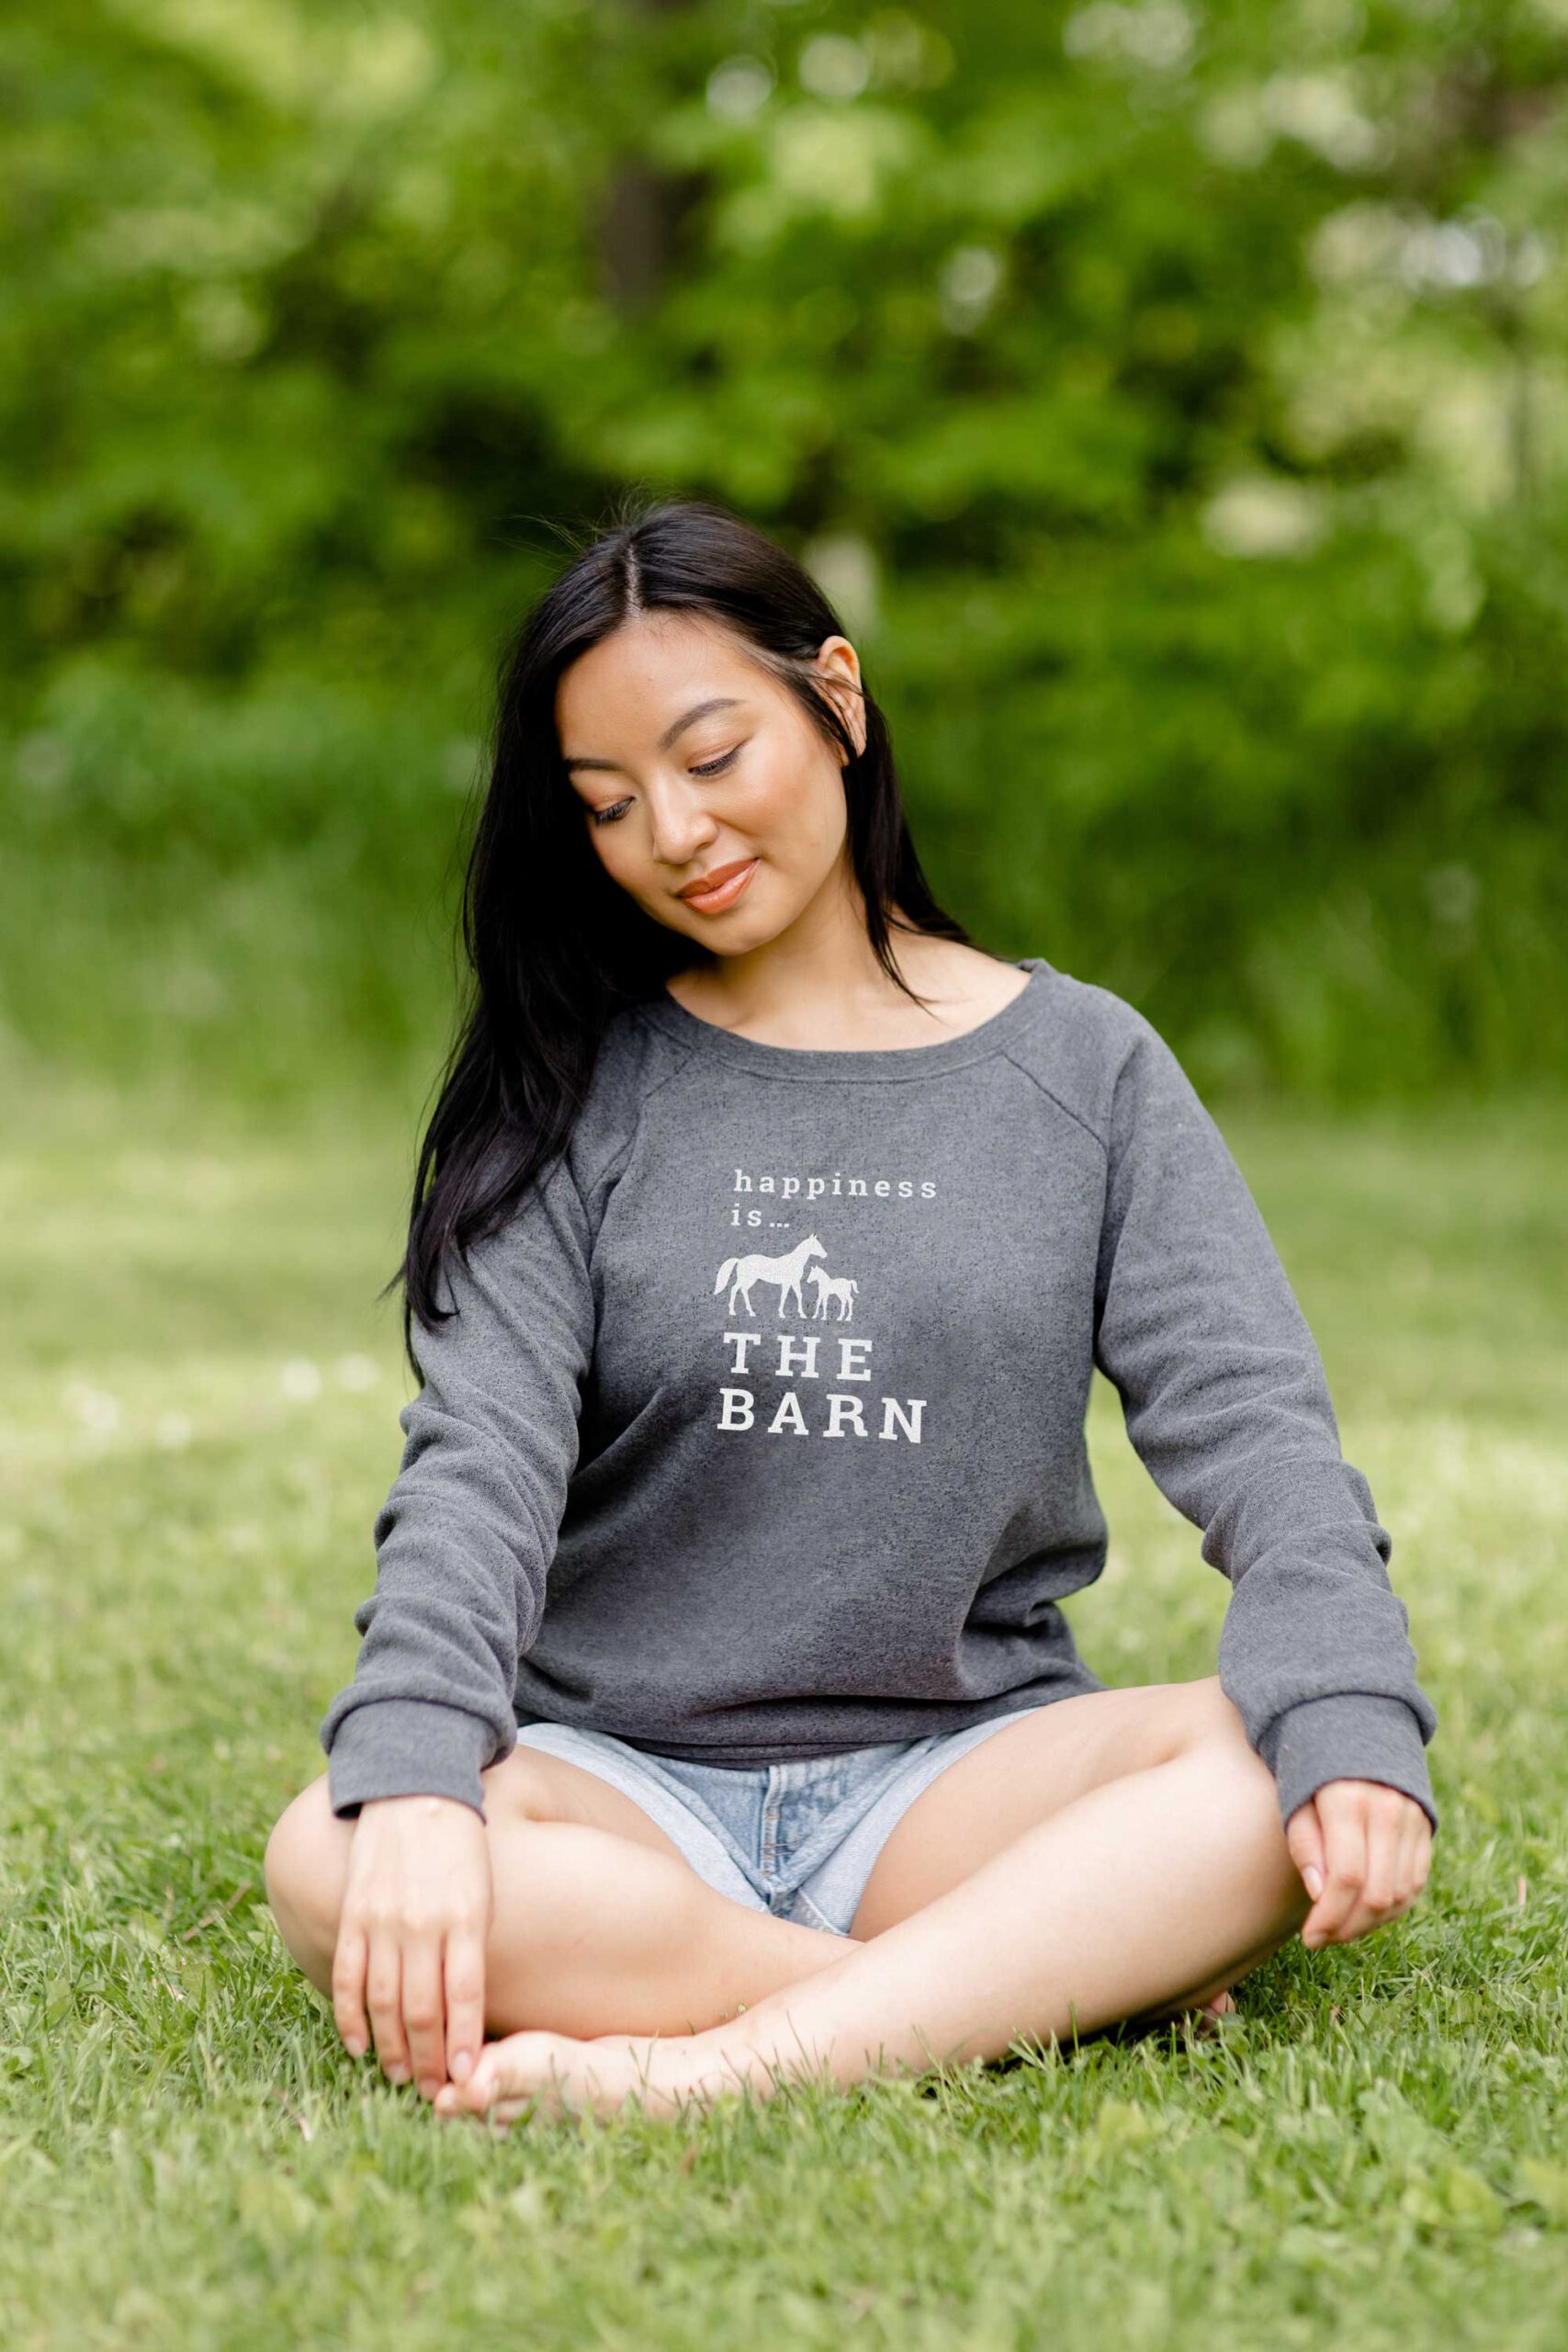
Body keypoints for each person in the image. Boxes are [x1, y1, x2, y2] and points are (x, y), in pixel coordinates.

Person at [263, 494, 1437, 2126]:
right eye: (609, 803)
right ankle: (1002, 1986)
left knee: (1258, 1777)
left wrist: (1352, 1710)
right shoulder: (574, 1088)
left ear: (836, 696)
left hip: (962, 1778)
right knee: (324, 1853)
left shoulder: (1087, 1070)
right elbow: (478, 1472)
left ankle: (712, 2069)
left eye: (711, 755)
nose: (674, 832)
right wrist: (410, 1770)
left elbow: (1261, 1435)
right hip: (619, 1784)